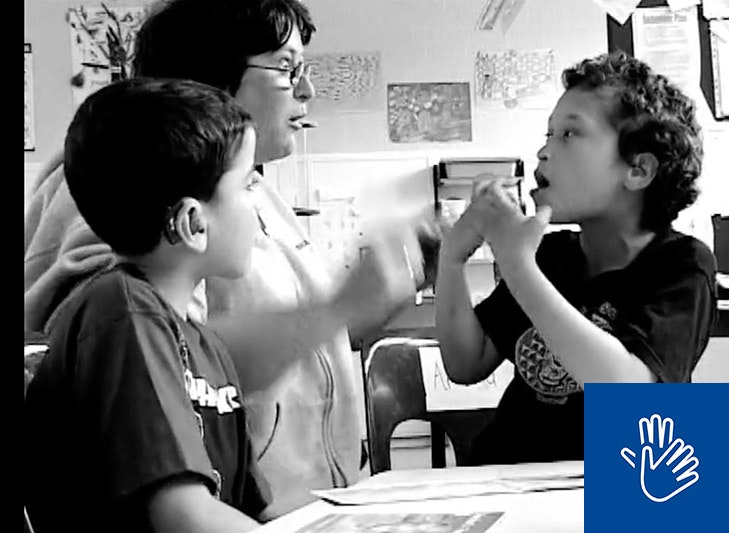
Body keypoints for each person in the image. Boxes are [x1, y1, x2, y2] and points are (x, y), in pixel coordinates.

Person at [23, 0, 430, 518]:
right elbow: (148, 358)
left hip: (289, 512)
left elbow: (241, 345)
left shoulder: (247, 187)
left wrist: (362, 303)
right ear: (209, 76)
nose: (306, 90)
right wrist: (338, 309)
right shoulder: (132, 189)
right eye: (287, 68)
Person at [435, 51, 717, 466]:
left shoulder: (682, 265)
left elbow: (631, 396)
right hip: (511, 483)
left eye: (569, 134)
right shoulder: (551, 255)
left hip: (624, 490)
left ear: (638, 170)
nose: (543, 153)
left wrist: (518, 266)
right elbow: (465, 363)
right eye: (548, 135)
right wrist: (452, 260)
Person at [25, 78, 270, 533]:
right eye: (249, 183)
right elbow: (184, 518)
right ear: (193, 223)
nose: (259, 204)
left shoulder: (203, 342)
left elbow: (252, 512)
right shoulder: (123, 314)